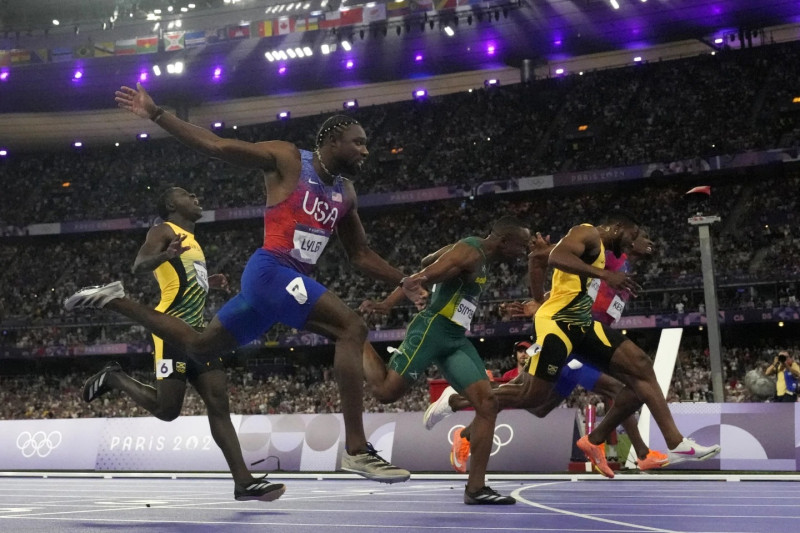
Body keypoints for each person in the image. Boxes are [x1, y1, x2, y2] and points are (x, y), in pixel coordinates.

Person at [65, 82, 427, 484]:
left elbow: (360, 255)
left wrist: (405, 279)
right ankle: (358, 449)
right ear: (333, 140)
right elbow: (218, 146)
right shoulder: (288, 159)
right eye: (358, 143)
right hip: (270, 271)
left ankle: (115, 299)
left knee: (200, 346)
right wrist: (156, 114)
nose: (365, 150)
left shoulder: (346, 193)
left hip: (280, 287)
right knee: (352, 328)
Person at [424, 213, 720, 476]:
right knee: (577, 392)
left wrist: (542, 298)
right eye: (635, 236)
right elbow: (546, 258)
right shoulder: (588, 235)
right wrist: (543, 301)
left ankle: (660, 444)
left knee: (549, 399)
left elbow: (543, 260)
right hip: (562, 327)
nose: (638, 243)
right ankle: (457, 402)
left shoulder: (616, 260)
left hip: (584, 329)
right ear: (618, 228)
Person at [82, 187, 285, 501]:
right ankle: (115, 377)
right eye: (187, 195)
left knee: (219, 404)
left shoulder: (194, 243)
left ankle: (243, 482)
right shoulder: (162, 230)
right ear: (170, 205)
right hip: (171, 332)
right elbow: (139, 265)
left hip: (200, 336)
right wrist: (165, 254)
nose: (196, 197)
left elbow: (183, 280)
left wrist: (208, 282)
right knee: (167, 411)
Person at [360, 216, 531, 504]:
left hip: (454, 338)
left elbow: (429, 259)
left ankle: (476, 489)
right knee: (386, 392)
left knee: (488, 404)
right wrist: (387, 304)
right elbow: (422, 275)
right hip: (432, 329)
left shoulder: (481, 256)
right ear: (504, 241)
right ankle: (354, 336)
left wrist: (441, 255)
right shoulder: (470, 252)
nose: (523, 252)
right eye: (521, 246)